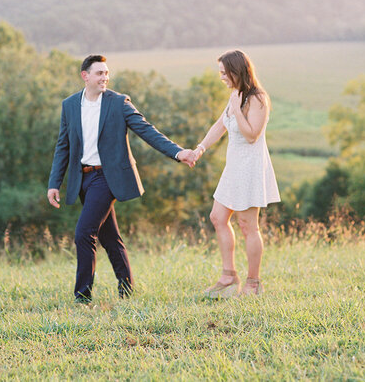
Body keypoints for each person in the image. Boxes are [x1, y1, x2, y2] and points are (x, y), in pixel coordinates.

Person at [47, 54, 197, 304]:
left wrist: (178, 152)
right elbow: (63, 145)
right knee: (109, 236)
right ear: (85, 76)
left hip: (107, 177)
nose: (105, 77)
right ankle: (127, 288)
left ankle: (82, 296)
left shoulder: (119, 103)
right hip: (83, 179)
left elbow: (147, 130)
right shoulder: (70, 105)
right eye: (99, 73)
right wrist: (54, 182)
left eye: (106, 73)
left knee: (84, 233)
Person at [193, 49, 280, 297]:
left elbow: (252, 135)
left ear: (236, 71)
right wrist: (200, 149)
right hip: (233, 167)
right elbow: (220, 125)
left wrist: (237, 108)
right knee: (218, 217)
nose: (221, 77)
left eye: (223, 72)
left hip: (250, 167)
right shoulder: (236, 95)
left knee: (247, 225)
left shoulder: (258, 98)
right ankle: (228, 277)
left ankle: (253, 283)